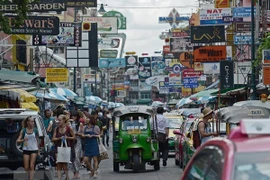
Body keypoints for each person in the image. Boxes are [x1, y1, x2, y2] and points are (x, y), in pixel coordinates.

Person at [52, 114, 76, 180]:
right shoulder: (56, 129)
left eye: (59, 120)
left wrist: (67, 137)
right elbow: (53, 139)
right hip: (58, 148)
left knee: (64, 165)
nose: (58, 121)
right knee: (58, 164)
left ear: (64, 120)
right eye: (57, 120)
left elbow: (74, 137)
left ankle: (67, 177)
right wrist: (59, 138)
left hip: (65, 148)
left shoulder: (68, 128)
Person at [70, 111, 83, 179]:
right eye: (72, 116)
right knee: (72, 158)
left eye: (74, 116)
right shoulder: (69, 124)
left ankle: (77, 171)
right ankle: (74, 172)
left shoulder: (80, 124)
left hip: (78, 141)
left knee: (77, 157)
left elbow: (82, 134)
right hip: (71, 141)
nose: (73, 118)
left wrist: (77, 134)